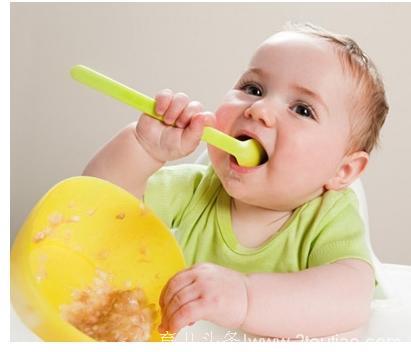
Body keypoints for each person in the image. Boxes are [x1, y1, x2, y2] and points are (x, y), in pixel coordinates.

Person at [82, 22, 389, 338]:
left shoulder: (329, 216)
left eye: (302, 109)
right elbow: (94, 211)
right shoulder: (195, 190)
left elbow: (351, 297)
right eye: (253, 89)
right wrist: (143, 148)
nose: (260, 109)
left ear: (343, 171)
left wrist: (245, 298)